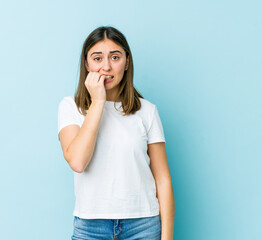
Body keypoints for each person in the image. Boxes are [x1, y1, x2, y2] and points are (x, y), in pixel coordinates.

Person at [57, 26, 175, 240]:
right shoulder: (70, 107)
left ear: (127, 62)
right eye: (97, 58)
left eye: (115, 57)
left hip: (143, 226)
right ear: (86, 63)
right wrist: (98, 102)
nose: (106, 67)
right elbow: (77, 162)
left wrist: (167, 238)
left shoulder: (147, 111)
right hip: (90, 228)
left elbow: (163, 179)